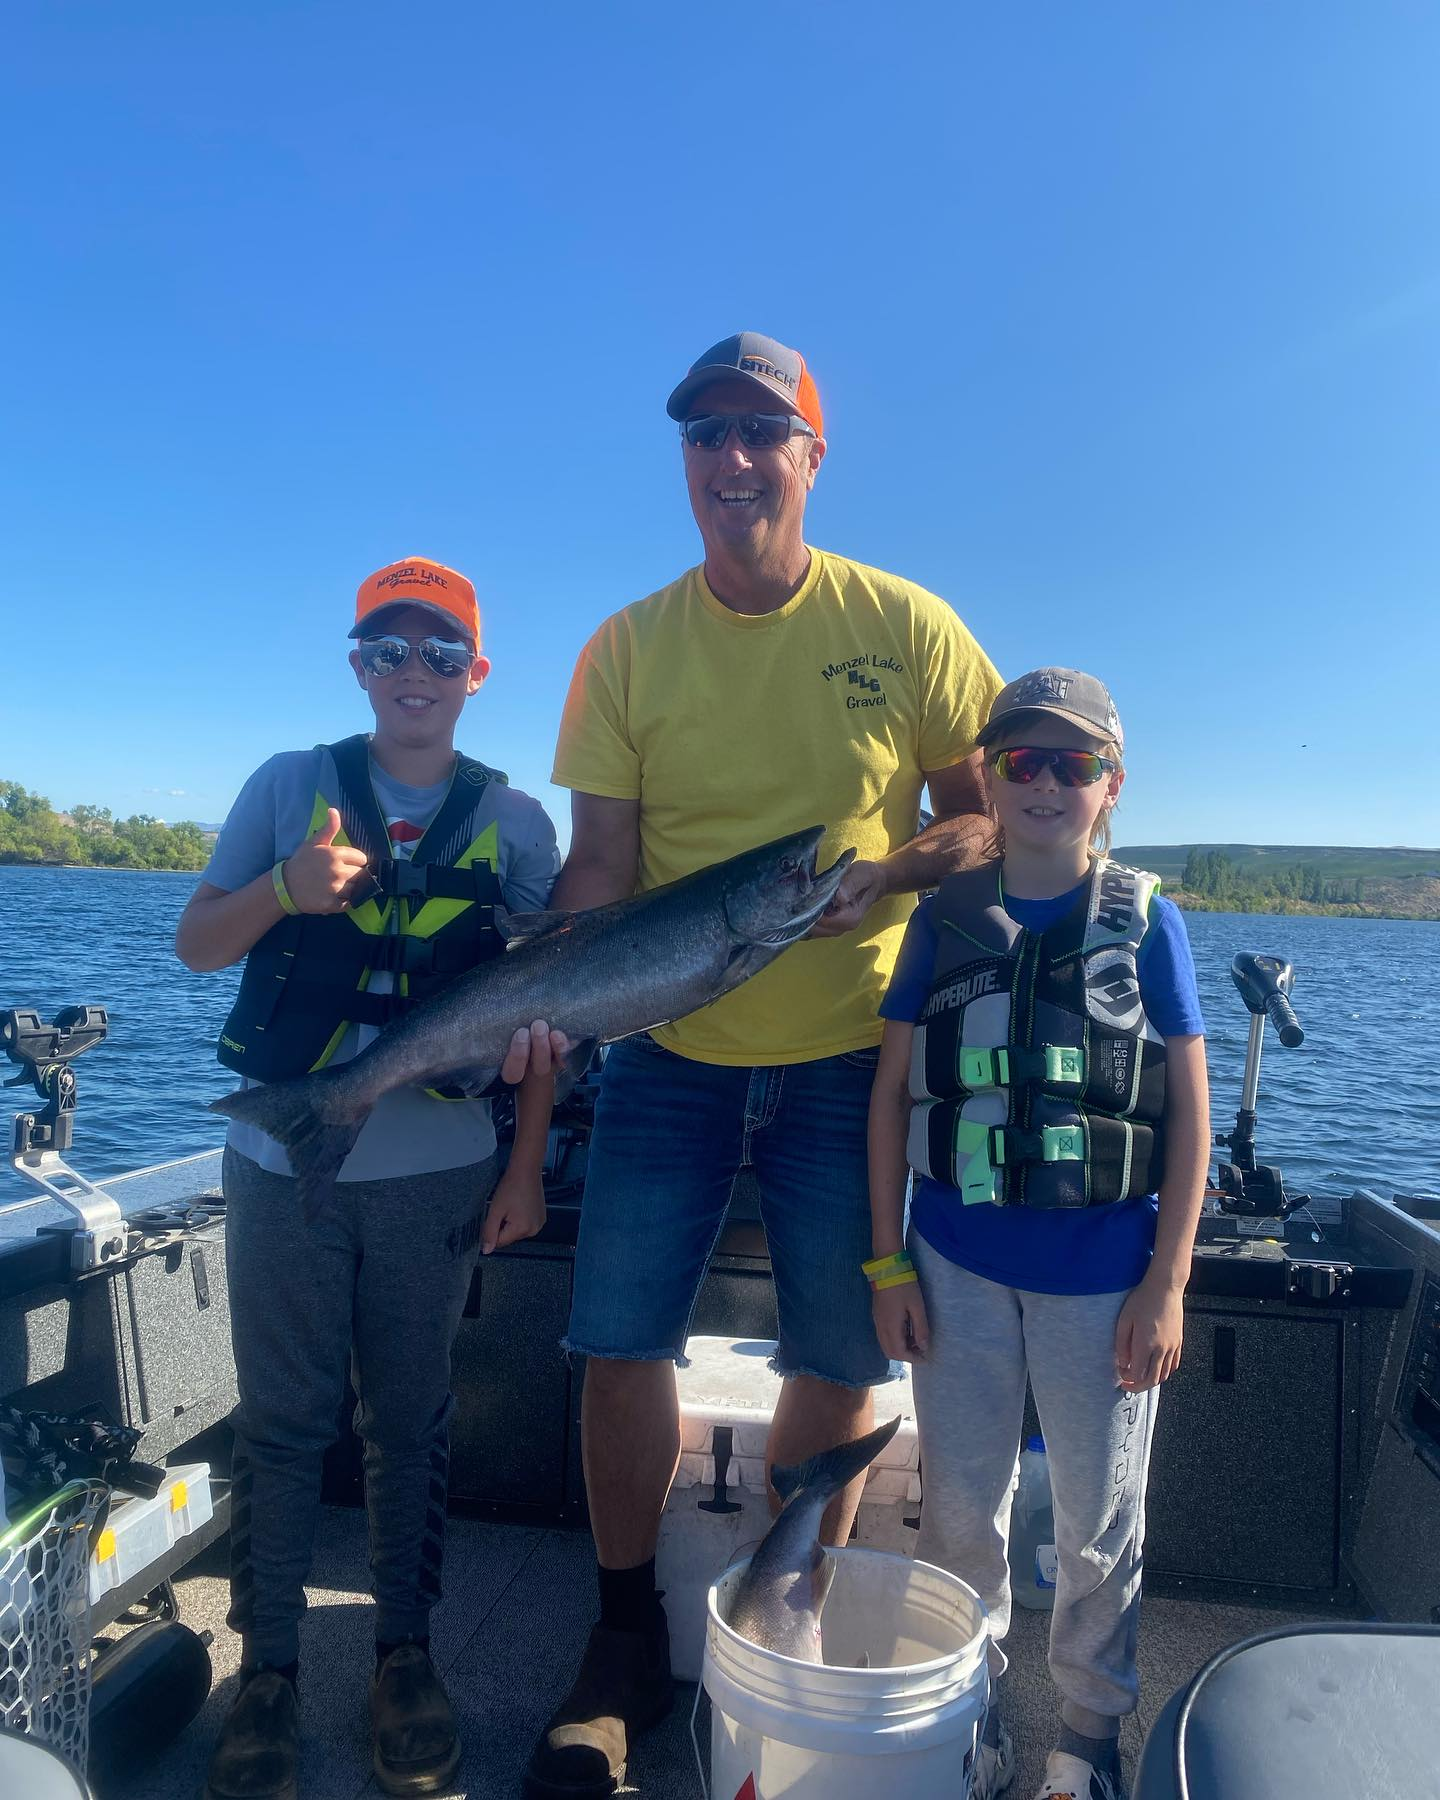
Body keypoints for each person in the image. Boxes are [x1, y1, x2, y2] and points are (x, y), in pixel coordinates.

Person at [521, 332, 1004, 1800]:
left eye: (760, 432)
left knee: (844, 1355)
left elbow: (983, 823)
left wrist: (892, 870)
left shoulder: (907, 623)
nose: (733, 461)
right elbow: (599, 870)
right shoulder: (627, 646)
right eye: (704, 436)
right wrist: (532, 1020)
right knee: (616, 1340)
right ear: (684, 462)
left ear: (811, 452)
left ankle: (789, 1607)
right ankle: (620, 1648)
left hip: (859, 1064)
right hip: (667, 1051)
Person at [176, 557, 560, 1800]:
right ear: (358, 666)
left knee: (413, 1425)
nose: (415, 674)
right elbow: (194, 943)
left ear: (477, 676)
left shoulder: (518, 825)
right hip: (281, 1155)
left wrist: (526, 1164)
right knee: (284, 1427)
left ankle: (406, 1656)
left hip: (440, 1169)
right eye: (390, 650)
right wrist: (284, 891)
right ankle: (269, 1672)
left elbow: (549, 1007)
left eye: (441, 654)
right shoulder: (289, 786)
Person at [867, 668, 1209, 1800]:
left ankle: (1088, 1738)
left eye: (1075, 763)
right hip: (955, 1268)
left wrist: (1167, 1283)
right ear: (988, 778)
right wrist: (888, 1264)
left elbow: (1191, 1113)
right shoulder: (941, 921)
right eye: (1022, 761)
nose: (1048, 782)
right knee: (960, 1510)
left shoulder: (1150, 926)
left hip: (1104, 1281)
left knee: (1098, 1527)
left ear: (1113, 786)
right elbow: (889, 1099)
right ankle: (972, 1715)